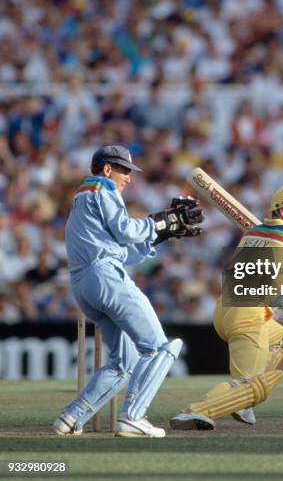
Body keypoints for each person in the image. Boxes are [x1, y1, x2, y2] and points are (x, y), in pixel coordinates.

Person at [53, 145, 204, 437]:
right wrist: (160, 221)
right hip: (105, 277)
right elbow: (124, 230)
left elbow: (123, 250)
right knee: (160, 347)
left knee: (124, 363)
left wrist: (161, 232)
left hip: (85, 285)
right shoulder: (100, 187)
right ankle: (133, 416)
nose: (129, 178)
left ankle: (71, 418)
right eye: (124, 171)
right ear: (107, 169)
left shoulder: (82, 200)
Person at [170, 184, 283, 430]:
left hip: (225, 309)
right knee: (247, 385)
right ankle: (195, 411)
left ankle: (243, 403)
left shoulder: (252, 233)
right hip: (248, 314)